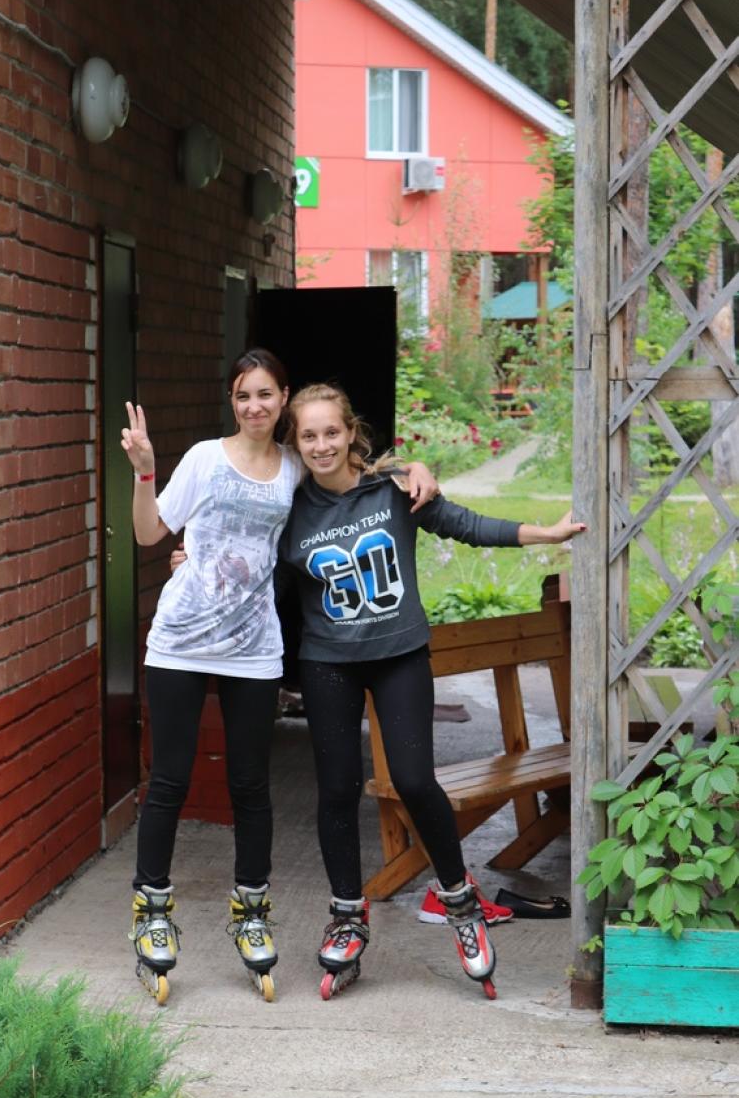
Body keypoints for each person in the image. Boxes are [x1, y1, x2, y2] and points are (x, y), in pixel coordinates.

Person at [120, 351, 438, 1005]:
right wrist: (145, 470)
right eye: (243, 396)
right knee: (171, 780)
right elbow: (149, 531)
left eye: (265, 394)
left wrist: (414, 469)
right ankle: (151, 910)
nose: (254, 406)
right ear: (232, 402)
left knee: (250, 786)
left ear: (283, 398)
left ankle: (252, 910)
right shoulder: (205, 459)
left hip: (252, 649)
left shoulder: (295, 466)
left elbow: (351, 475)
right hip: (180, 644)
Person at [274, 383, 586, 1001]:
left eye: (331, 432)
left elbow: (464, 524)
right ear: (296, 442)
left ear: (351, 432)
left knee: (416, 781)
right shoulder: (289, 508)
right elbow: (253, 568)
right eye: (308, 435)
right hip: (329, 661)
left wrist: (545, 535)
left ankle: (460, 902)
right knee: (336, 790)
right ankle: (347, 917)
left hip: (399, 655)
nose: (321, 445)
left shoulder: (396, 489)